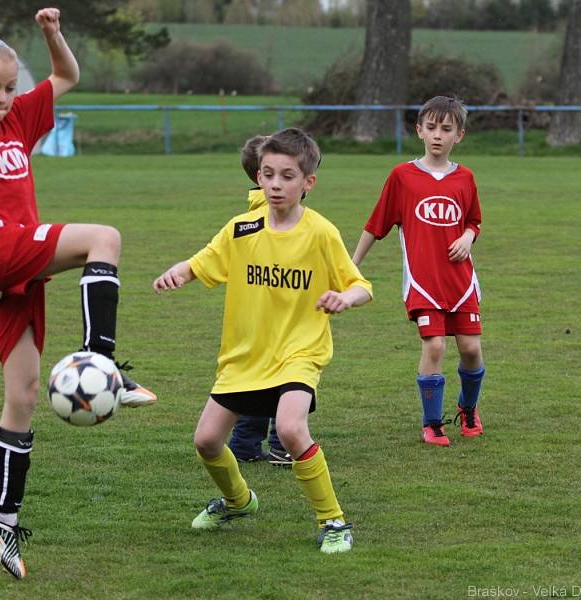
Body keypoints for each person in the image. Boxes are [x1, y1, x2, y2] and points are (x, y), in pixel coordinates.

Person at [0, 8, 156, 579]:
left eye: (8, 87)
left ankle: (1, 516)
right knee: (104, 237)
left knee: (22, 394)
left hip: (14, 265)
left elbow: (67, 77)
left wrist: (50, 35)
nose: (0, 97)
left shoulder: (16, 116)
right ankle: (103, 362)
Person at [153, 128, 372, 554]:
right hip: (244, 356)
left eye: (287, 176)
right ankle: (238, 502)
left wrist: (344, 297)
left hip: (299, 352)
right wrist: (180, 272)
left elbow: (361, 284)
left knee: (291, 428)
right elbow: (202, 261)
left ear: (308, 183)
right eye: (267, 174)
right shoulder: (242, 228)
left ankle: (334, 522)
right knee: (206, 441)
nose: (274, 183)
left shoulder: (321, 233)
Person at [351, 95, 485, 448]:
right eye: (431, 128)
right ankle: (432, 424)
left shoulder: (465, 178)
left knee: (471, 348)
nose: (438, 135)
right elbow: (375, 225)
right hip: (424, 284)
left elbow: (473, 220)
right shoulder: (403, 176)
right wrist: (351, 267)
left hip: (461, 282)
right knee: (436, 347)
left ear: (460, 135)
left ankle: (468, 409)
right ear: (419, 131)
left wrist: (469, 237)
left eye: (446, 129)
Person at [228, 134, 291, 467]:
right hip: (281, 313)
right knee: (291, 380)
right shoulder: (270, 216)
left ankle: (244, 444)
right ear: (262, 177)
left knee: (258, 379)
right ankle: (283, 445)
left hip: (255, 317)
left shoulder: (254, 212)